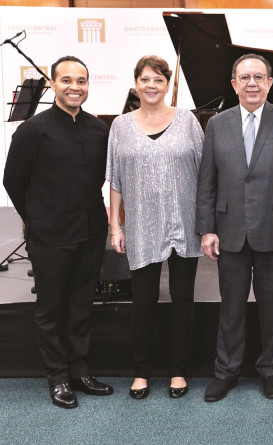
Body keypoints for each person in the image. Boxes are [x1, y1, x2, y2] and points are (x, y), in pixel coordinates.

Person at [196, 53, 273, 402]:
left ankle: (272, 369)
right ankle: (226, 371)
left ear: (270, 83)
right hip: (228, 229)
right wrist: (206, 228)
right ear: (233, 84)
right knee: (230, 306)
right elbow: (207, 181)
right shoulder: (217, 124)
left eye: (259, 77)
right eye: (245, 77)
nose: (252, 83)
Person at [3, 56, 114, 409]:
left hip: (90, 232)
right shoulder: (32, 130)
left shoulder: (99, 129)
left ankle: (80, 370)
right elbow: (12, 181)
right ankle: (57, 377)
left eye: (81, 80)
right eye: (66, 80)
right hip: (50, 236)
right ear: (52, 84)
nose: (74, 87)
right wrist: (34, 219)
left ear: (87, 85)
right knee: (51, 309)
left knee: (82, 305)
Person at [106, 55, 204, 400]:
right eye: (145, 79)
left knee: (182, 298)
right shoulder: (120, 126)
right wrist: (115, 227)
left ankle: (179, 369)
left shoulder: (188, 121)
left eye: (158, 80)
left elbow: (206, 174)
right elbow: (114, 180)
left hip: (185, 223)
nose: (151, 85)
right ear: (136, 83)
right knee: (143, 299)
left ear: (167, 85)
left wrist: (207, 224)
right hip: (142, 226)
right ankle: (141, 371)